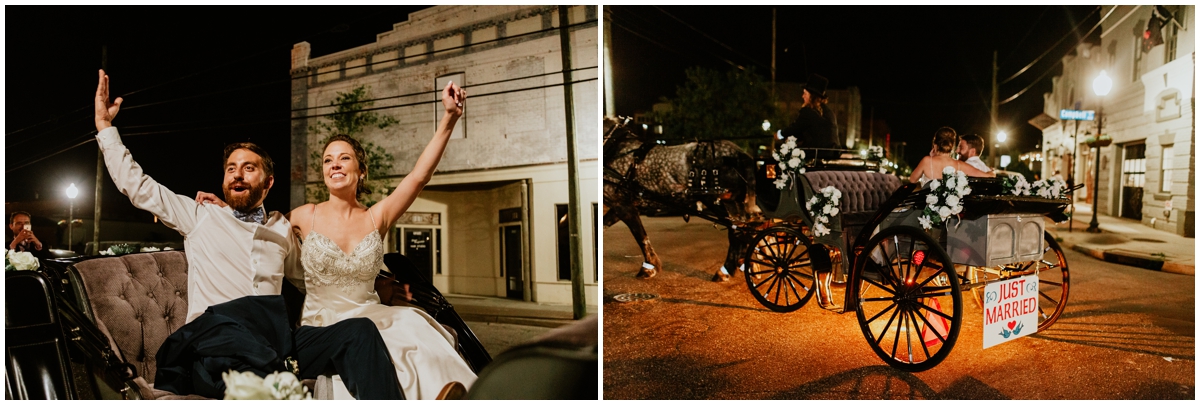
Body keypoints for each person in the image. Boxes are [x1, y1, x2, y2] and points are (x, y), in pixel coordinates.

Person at [92, 70, 403, 399]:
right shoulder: (200, 217)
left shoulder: (281, 228)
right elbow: (138, 187)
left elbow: (313, 278)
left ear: (268, 183)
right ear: (224, 181)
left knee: (360, 332)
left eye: (249, 168)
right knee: (250, 353)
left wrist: (380, 283)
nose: (237, 174)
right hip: (216, 342)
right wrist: (105, 128)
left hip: (272, 343)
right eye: (231, 169)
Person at [199, 81, 474, 400]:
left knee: (411, 324)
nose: (335, 165)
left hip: (372, 312)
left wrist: (449, 118)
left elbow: (418, 177)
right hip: (324, 322)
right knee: (383, 335)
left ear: (361, 171)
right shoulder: (306, 215)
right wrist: (228, 209)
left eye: (344, 159)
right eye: (328, 160)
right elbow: (260, 226)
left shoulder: (377, 216)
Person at [778, 74, 840, 159]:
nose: (802, 96)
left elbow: (794, 129)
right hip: (832, 153)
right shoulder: (830, 112)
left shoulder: (808, 112)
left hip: (815, 154)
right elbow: (813, 131)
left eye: (805, 93)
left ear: (812, 96)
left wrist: (779, 134)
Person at [909, 127, 994, 184]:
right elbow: (988, 176)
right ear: (952, 146)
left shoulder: (927, 161)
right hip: (949, 210)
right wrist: (991, 172)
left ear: (935, 145)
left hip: (928, 209)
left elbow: (912, 180)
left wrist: (931, 157)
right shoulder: (959, 165)